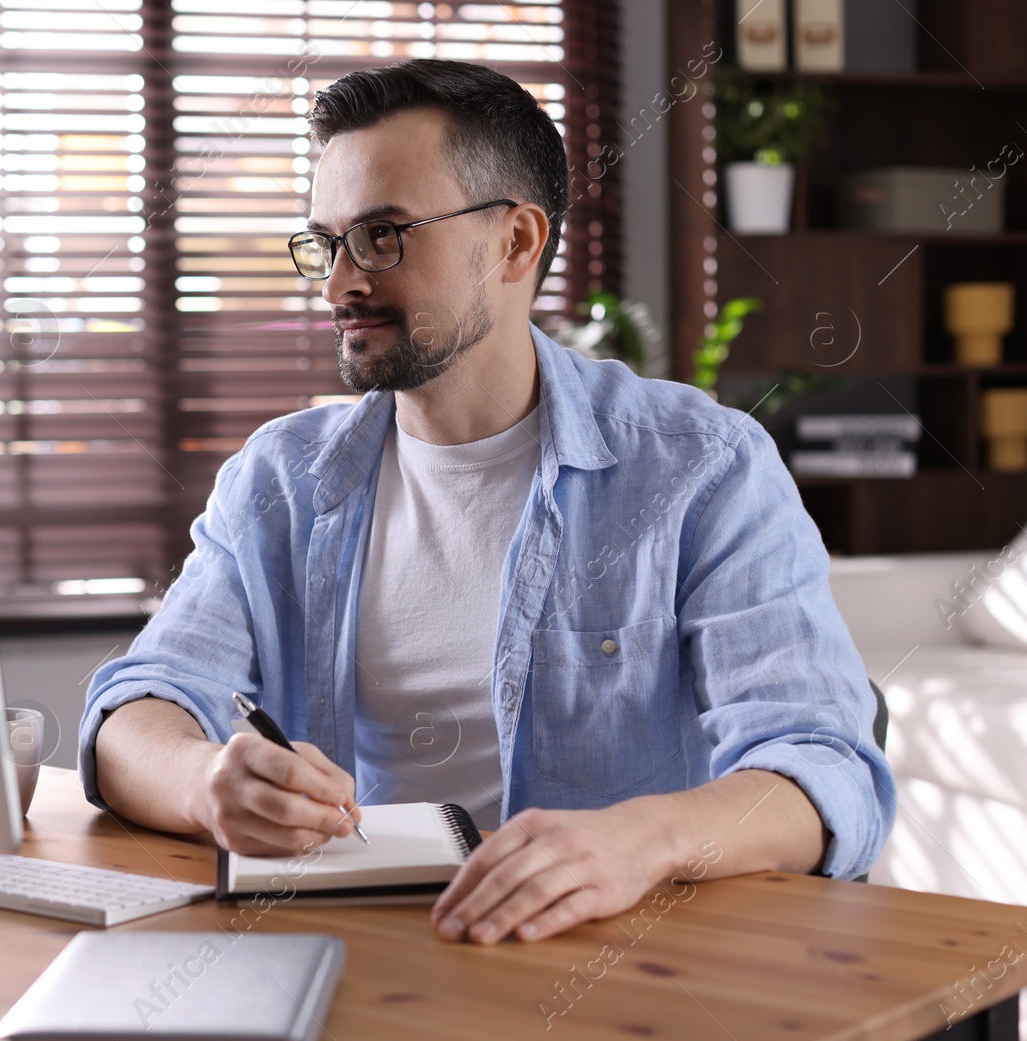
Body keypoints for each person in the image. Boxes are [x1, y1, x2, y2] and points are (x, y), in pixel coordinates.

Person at [78, 58, 894, 945]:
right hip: (367, 957)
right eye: (327, 241)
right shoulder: (280, 479)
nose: (339, 283)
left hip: (621, 973)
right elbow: (137, 711)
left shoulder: (703, 468)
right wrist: (209, 780)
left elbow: (822, 768)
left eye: (384, 235)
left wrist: (638, 840)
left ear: (515, 242)